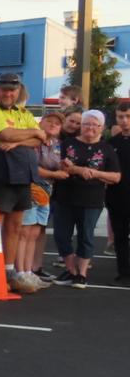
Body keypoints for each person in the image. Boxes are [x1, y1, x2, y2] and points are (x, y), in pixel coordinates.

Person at [0, 73, 44, 286]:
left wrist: (17, 141)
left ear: (17, 91)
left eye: (12, 90)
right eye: (4, 89)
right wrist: (31, 133)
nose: (8, 93)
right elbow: (6, 135)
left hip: (22, 173)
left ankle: (8, 271)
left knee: (15, 225)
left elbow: (41, 138)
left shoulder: (22, 112)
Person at [51, 110, 121, 289]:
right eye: (86, 124)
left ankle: (81, 274)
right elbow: (58, 165)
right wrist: (77, 170)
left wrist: (96, 173)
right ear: (81, 126)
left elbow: (116, 177)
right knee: (61, 236)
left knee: (86, 236)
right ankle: (71, 270)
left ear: (102, 128)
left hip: (91, 199)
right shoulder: (68, 143)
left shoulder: (107, 149)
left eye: (95, 125)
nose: (90, 128)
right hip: (64, 196)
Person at [16, 112, 65, 291]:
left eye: (57, 123)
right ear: (41, 122)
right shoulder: (34, 142)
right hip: (31, 189)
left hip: (46, 191)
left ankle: (29, 272)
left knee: (34, 234)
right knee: (24, 232)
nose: (53, 125)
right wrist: (55, 174)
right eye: (49, 121)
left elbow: (56, 165)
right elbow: (32, 168)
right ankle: (19, 272)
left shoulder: (57, 145)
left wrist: (64, 167)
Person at [105, 103, 130, 282]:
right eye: (120, 117)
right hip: (117, 198)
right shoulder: (111, 143)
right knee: (120, 237)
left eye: (128, 116)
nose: (124, 121)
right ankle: (123, 272)